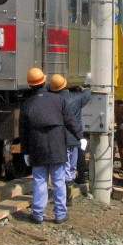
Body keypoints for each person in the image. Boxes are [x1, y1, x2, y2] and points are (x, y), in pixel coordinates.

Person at [20, 68, 84, 224]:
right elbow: (70, 122)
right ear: (44, 81)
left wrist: (26, 152)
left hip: (37, 147)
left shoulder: (27, 105)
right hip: (57, 146)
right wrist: (80, 137)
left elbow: (24, 132)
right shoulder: (58, 100)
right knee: (59, 181)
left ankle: (37, 215)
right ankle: (60, 214)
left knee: (40, 180)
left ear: (30, 85)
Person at [48, 73, 91, 206]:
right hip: (74, 139)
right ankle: (68, 196)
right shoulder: (76, 98)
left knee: (61, 168)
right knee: (71, 167)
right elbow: (88, 94)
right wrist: (87, 85)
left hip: (59, 138)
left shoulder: (51, 101)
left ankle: (62, 196)